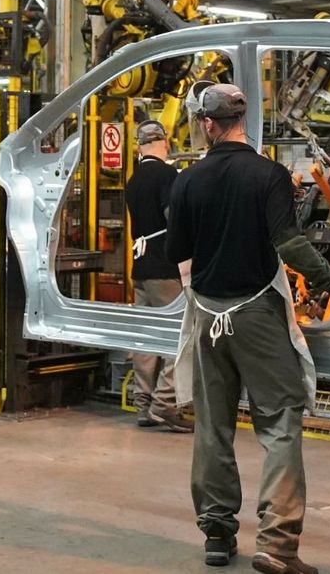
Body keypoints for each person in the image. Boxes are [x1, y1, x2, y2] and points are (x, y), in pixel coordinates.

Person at [166, 81, 330, 574]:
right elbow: (290, 244)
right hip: (257, 315)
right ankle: (277, 546)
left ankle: (217, 535)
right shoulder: (270, 175)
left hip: (207, 318)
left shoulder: (187, 181)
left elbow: (179, 255)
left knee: (213, 427)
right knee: (279, 426)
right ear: (241, 121)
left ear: (207, 124)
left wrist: (207, 290)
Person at [125, 119, 193, 433]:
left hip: (140, 268)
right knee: (177, 336)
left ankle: (143, 403)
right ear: (163, 142)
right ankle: (165, 404)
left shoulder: (134, 179)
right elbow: (174, 218)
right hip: (165, 267)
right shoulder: (167, 174)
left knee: (145, 338)